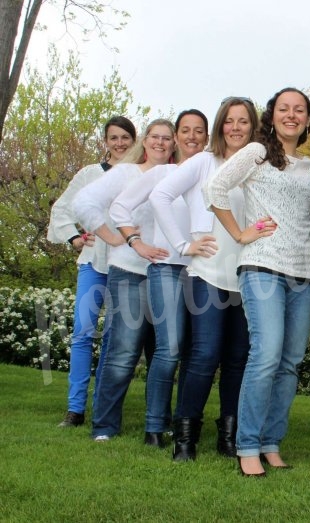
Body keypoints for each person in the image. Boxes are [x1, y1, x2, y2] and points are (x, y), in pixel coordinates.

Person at [205, 87, 310, 478]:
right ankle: (248, 444)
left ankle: (272, 441)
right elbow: (215, 188)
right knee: (266, 354)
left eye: (299, 110)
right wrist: (240, 234)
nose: (292, 115)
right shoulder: (256, 153)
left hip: (306, 273)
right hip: (263, 267)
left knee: (290, 363)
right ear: (272, 117)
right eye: (284, 109)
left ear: (307, 119)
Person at [150, 97, 257, 461]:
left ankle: (228, 437)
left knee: (238, 357)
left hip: (247, 274)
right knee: (204, 354)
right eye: (230, 121)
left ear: (253, 126)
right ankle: (185, 439)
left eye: (244, 121)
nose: (236, 128)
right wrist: (183, 245)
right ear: (220, 125)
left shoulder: (258, 166)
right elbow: (160, 195)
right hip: (207, 271)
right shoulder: (203, 162)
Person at [109, 110, 210, 447]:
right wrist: (136, 243)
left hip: (203, 271)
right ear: (176, 138)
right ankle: (154, 427)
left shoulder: (211, 174)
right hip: (167, 268)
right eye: (185, 131)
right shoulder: (163, 173)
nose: (192, 137)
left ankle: (181, 421)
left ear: (207, 137)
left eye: (199, 131)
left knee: (195, 352)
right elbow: (119, 208)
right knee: (170, 348)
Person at [74, 119, 176, 441]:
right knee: (122, 352)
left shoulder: (178, 176)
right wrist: (113, 237)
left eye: (166, 138)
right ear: (144, 141)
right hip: (130, 272)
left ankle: (159, 424)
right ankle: (104, 426)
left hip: (170, 275)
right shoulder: (126, 173)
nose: (160, 143)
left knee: (165, 353)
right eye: (154, 137)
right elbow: (83, 203)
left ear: (174, 144)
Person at [47, 116, 137, 427]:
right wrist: (74, 237)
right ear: (105, 141)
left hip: (126, 264)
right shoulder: (89, 175)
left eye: (125, 137)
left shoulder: (140, 174)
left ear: (134, 139)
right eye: (114, 137)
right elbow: (62, 208)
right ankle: (75, 409)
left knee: (114, 338)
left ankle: (103, 406)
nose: (120, 143)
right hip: (93, 261)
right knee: (83, 332)